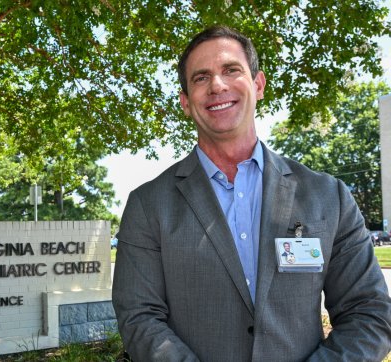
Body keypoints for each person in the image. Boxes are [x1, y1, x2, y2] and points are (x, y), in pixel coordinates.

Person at [112, 25, 391, 361]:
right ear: (186, 103)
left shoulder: (327, 196)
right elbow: (139, 319)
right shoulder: (148, 205)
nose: (217, 85)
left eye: (231, 70)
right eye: (201, 78)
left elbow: (370, 313)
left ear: (258, 85)